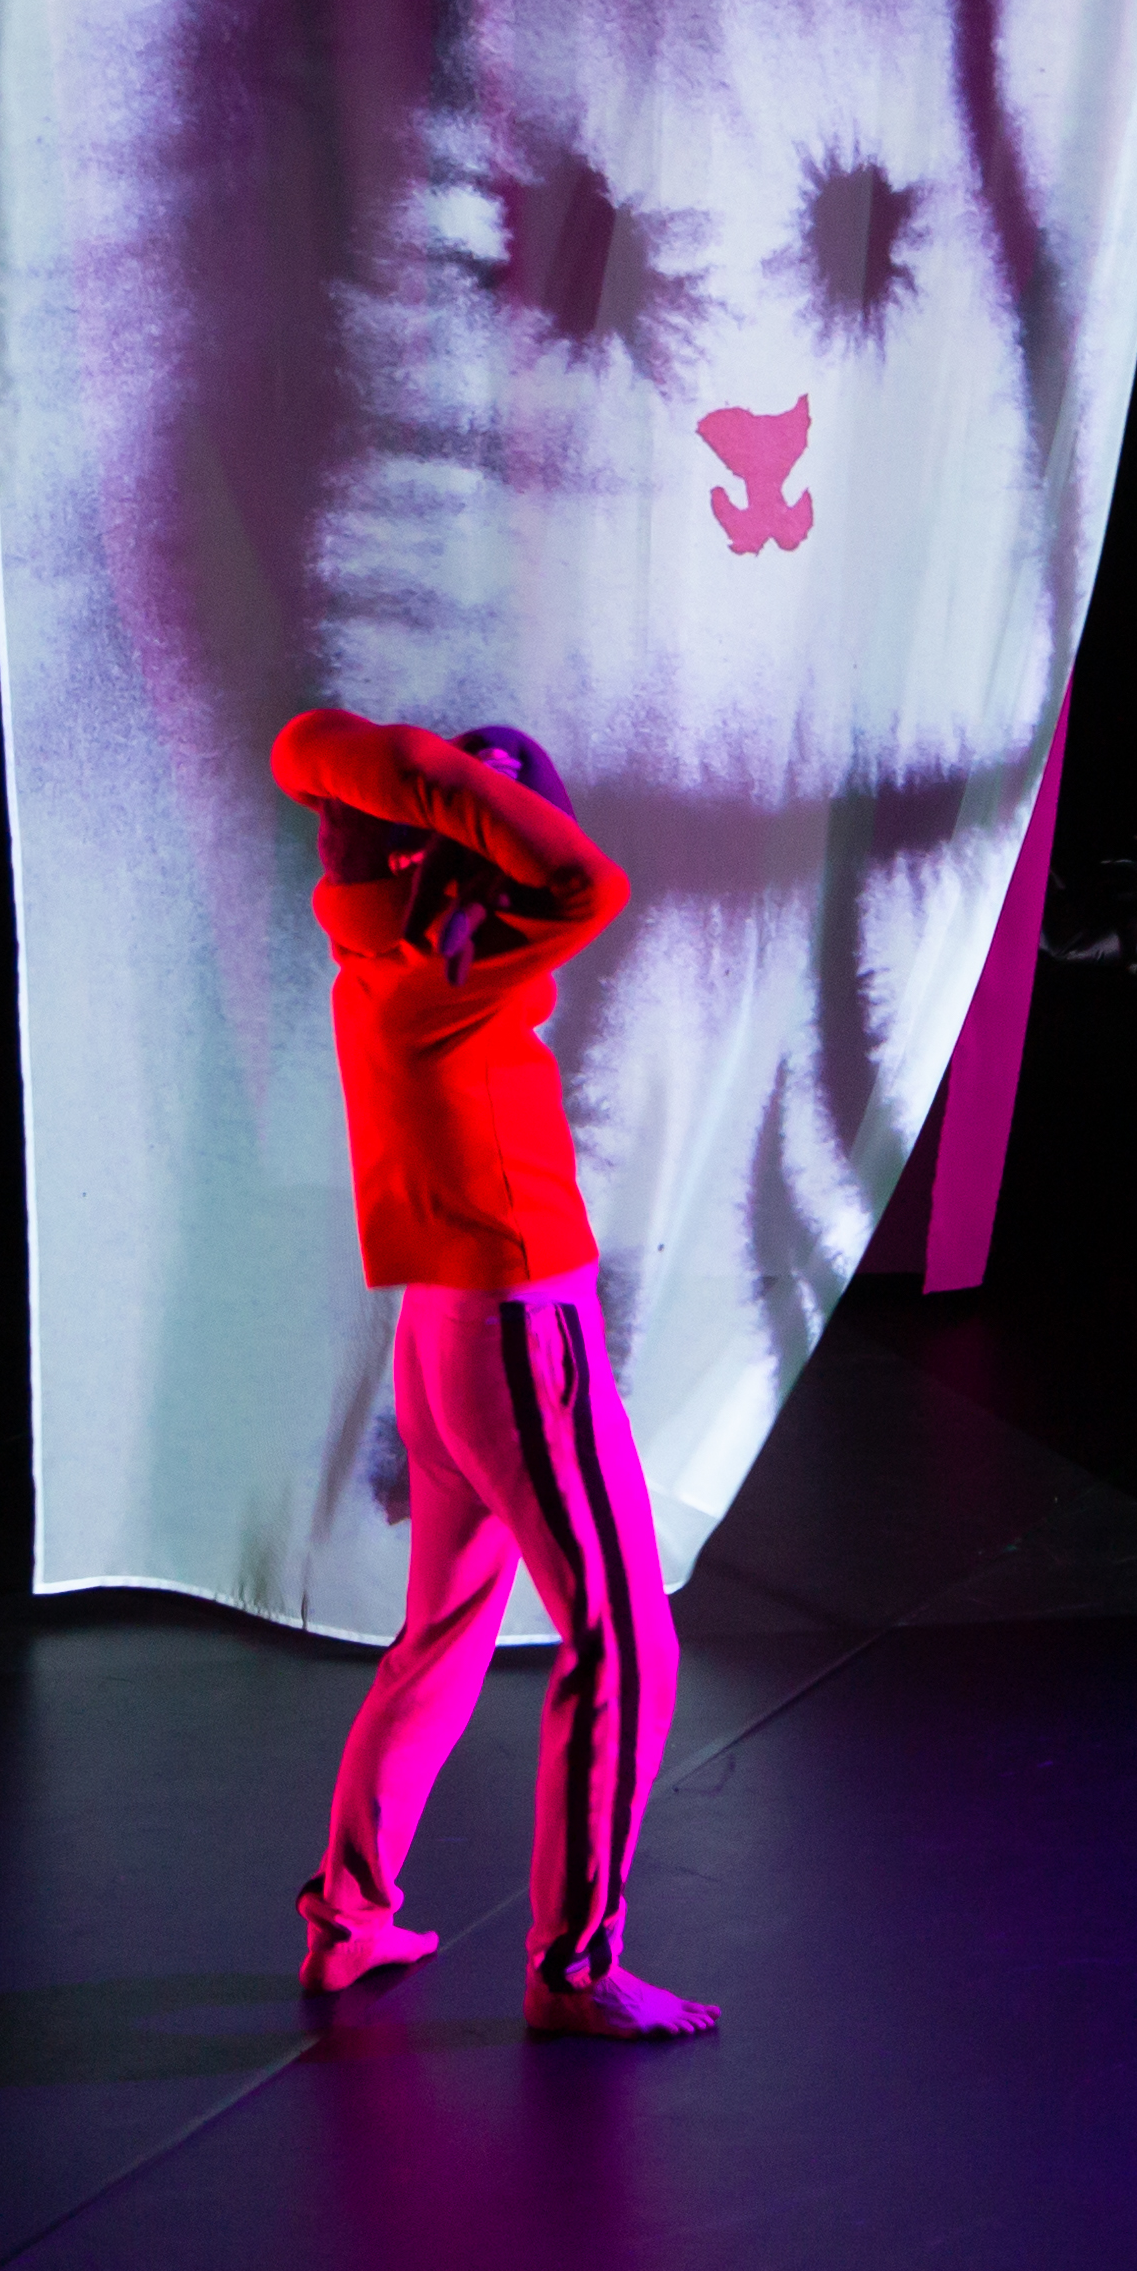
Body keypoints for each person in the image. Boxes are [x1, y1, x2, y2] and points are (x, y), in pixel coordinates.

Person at [270, 706, 720, 2043]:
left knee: (447, 1631)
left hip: (446, 1336)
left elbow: (322, 761)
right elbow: (588, 879)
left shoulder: (377, 946)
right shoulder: (447, 972)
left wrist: (430, 797)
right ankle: (575, 1967)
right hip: (520, 1331)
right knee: (625, 1642)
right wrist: (455, 782)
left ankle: (348, 1918)